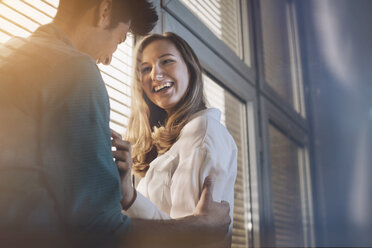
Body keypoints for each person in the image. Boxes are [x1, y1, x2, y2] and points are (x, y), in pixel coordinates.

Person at [0, 0, 230, 247]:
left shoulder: (10, 53)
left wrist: (125, 195)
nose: (108, 59)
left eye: (167, 61)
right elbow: (99, 229)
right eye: (120, 40)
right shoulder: (75, 68)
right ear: (105, 11)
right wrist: (202, 226)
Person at [117, 32, 237, 242]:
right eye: (146, 68)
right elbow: (172, 226)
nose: (155, 74)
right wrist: (130, 198)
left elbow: (189, 238)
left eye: (167, 61)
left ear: (190, 68)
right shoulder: (175, 143)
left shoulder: (202, 132)